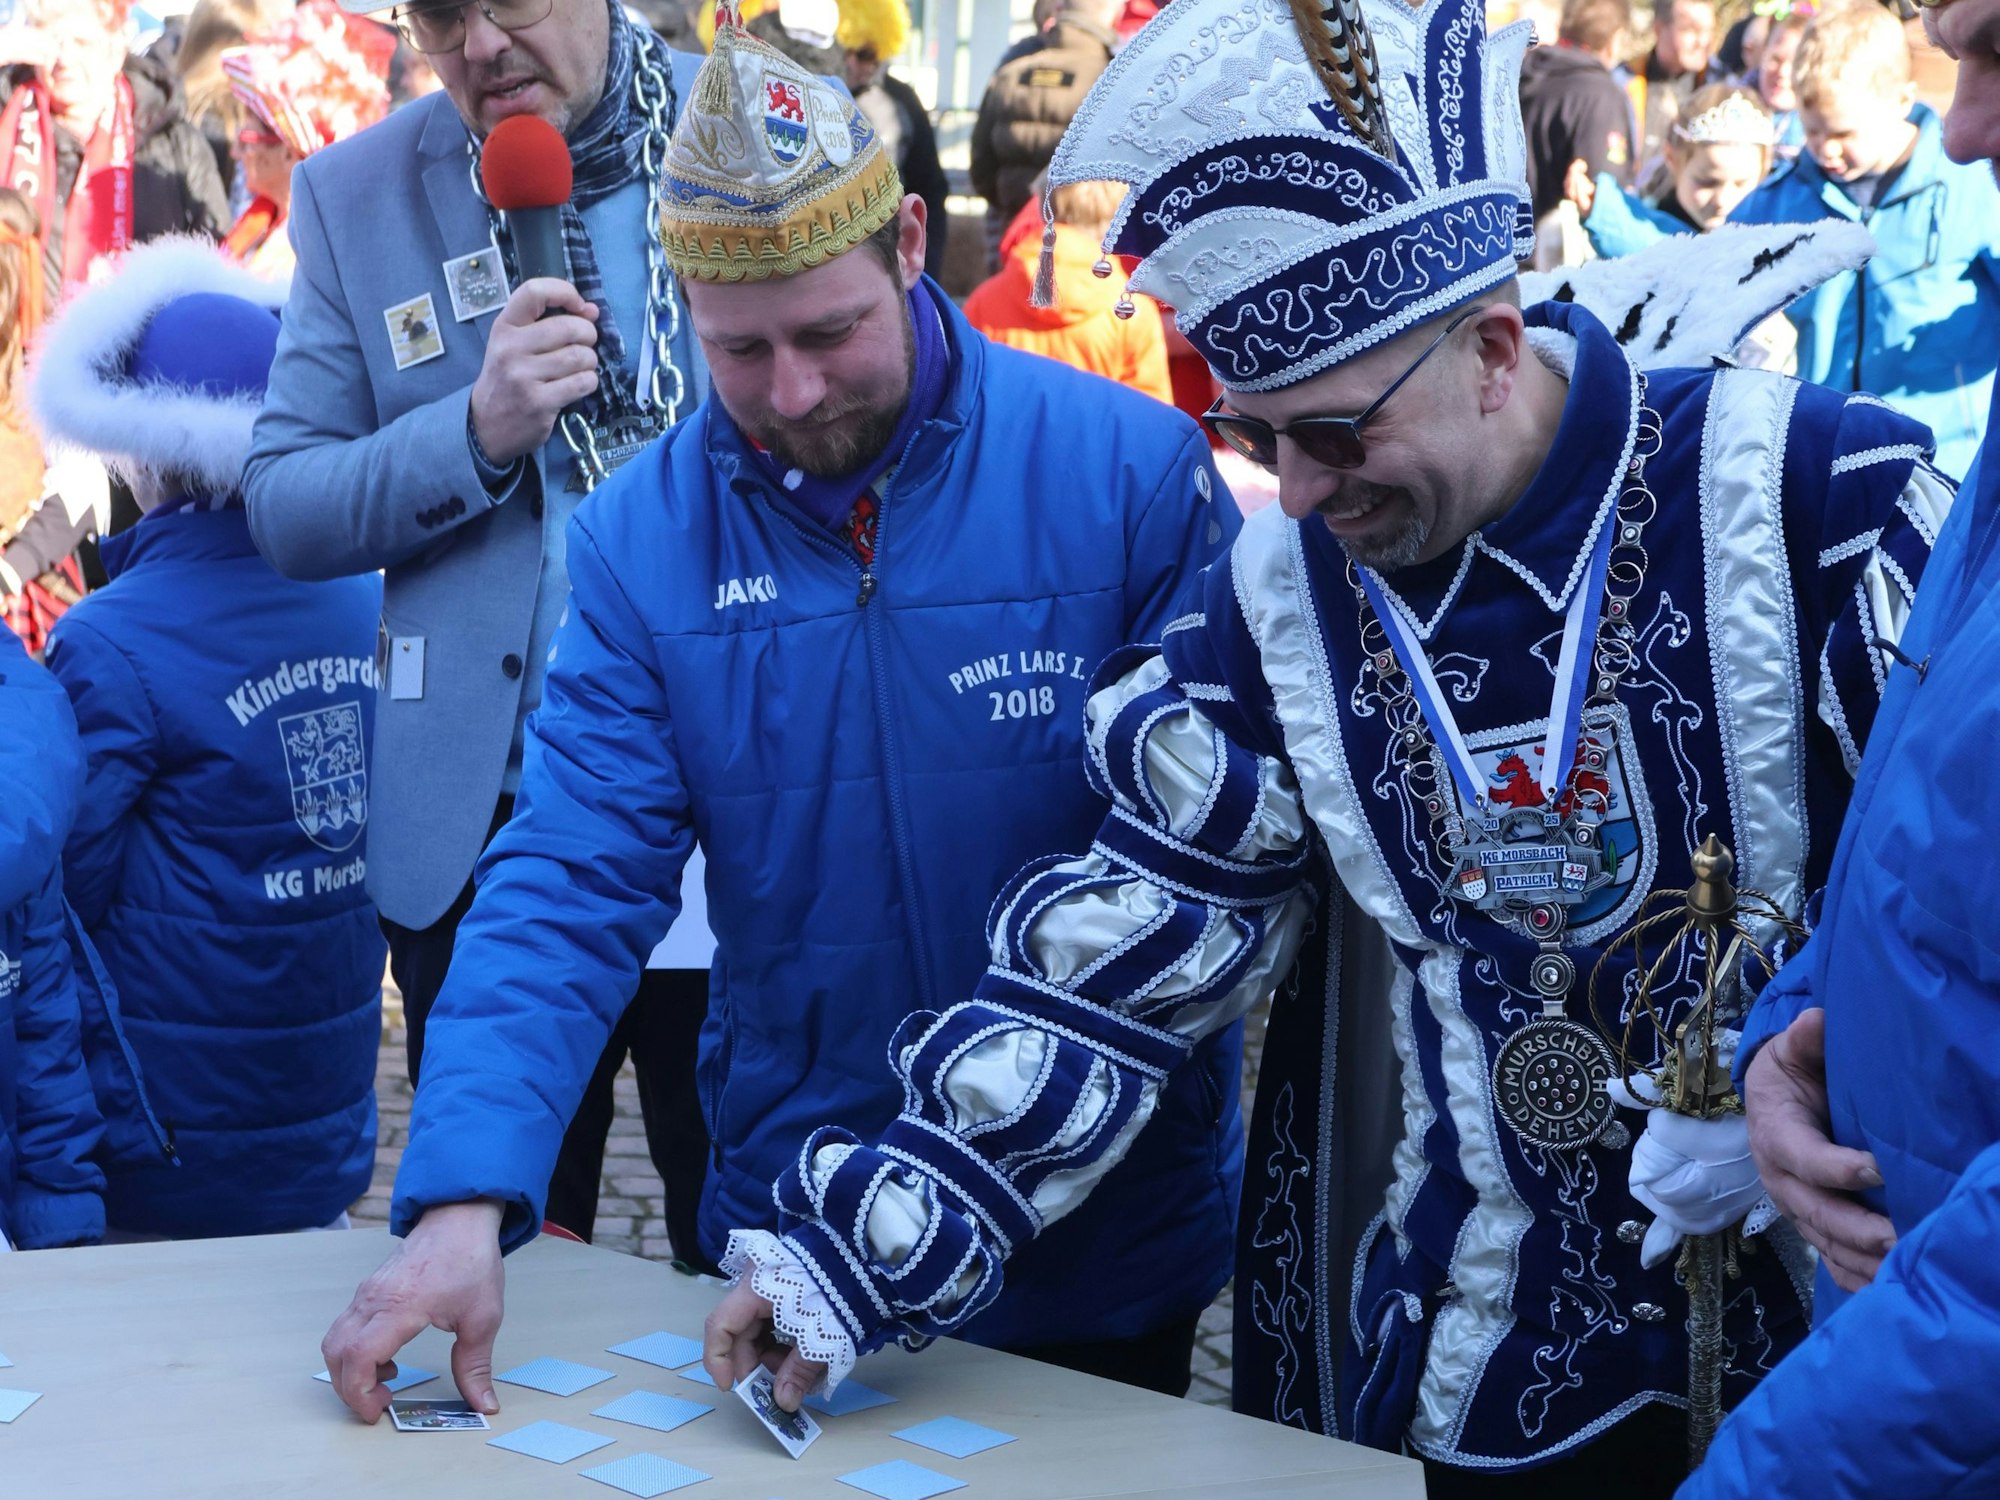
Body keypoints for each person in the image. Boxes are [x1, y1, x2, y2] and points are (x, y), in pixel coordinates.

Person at [695, 1, 1950, 1493]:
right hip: (1484, 1369)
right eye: (1253, 430)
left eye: (1337, 437)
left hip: (1860, 1337)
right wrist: (861, 1253)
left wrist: (1806, 1061)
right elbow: (1118, 963)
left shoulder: (1810, 500)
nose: (1291, 492)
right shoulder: (1281, 603)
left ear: (1494, 346)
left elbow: (1964, 892)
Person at [318, 14, 1244, 1426]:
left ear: (913, 244)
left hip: (1090, 1239)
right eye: (739, 351)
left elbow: (1182, 888)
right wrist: (460, 1194)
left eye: (830, 332)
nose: (794, 394)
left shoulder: (1126, 473)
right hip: (788, 1230)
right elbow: (572, 870)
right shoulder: (641, 539)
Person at [242, 0, 716, 1258]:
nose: (485, 42)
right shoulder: (357, 195)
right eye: (446, 13)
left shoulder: (756, 127)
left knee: (742, 1241)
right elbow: (286, 503)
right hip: (483, 827)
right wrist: (474, 431)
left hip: (739, 812)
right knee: (491, 1247)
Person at [1676, 0, 2000, 1491]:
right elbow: (1925, 826)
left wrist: (1769, 1473)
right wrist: (1790, 1036)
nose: (1974, 124)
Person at [29, 238, 384, 1241]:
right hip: (325, 1109)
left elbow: (69, 896)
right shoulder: (364, 595)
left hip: (166, 1121)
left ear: (140, 448)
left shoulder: (109, 638)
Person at [1730, 0, 2000, 478]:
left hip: (1946, 461)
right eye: (1811, 132)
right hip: (1824, 460)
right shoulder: (1776, 207)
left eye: (1842, 132)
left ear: (1900, 101)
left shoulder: (1973, 187)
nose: (1826, 150)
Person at [1, 0, 228, 295]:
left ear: (116, 49)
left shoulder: (171, 142)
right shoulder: (7, 117)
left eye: (82, 42)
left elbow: (217, 255)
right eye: (51, 42)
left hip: (140, 332)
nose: (64, 58)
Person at [217, 0, 395, 279]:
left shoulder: (307, 250)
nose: (236, 152)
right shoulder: (266, 222)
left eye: (247, 137)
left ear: (289, 152)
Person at [963, 178, 1172, 403]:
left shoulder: (984, 303)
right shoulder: (1131, 313)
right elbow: (1149, 422)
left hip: (1006, 436)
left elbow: (963, 402)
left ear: (1043, 205)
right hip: (1099, 438)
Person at [970, 0, 1121, 272]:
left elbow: (981, 172)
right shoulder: (1114, 78)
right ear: (1107, 11)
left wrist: (1015, 205)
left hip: (1015, 247)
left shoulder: (1009, 74)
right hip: (1088, 255)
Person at [1567, 84, 1777, 253]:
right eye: (1707, 182)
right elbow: (1660, 249)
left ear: (1764, 168)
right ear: (1671, 158)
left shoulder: (1776, 228)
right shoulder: (1653, 213)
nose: (1723, 201)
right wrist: (1603, 208)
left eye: (1741, 183)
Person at [839, 0, 951, 278]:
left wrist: (924, 267)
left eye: (866, 54)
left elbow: (930, 190)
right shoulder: (801, 95)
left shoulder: (902, 101)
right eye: (841, 49)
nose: (853, 63)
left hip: (890, 258)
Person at [1517, 0, 1635, 232]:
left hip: (1501, 247)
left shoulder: (1520, 74)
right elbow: (1605, 200)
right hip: (1558, 258)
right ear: (1616, 39)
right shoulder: (1601, 96)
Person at [1622, 0, 1716, 179]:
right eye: (1690, 30)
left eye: (1708, 30)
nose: (1703, 41)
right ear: (1659, 29)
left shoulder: (1721, 87)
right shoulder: (1624, 83)